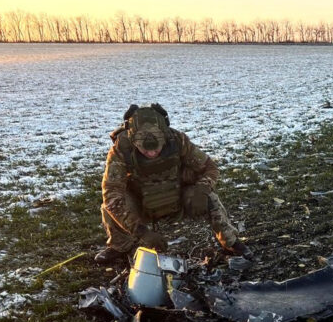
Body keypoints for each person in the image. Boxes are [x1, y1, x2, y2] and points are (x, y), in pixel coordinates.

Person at [94, 103, 252, 264]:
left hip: (176, 197)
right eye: (145, 150)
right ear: (134, 140)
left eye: (156, 149)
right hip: (142, 204)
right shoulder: (121, 149)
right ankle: (120, 246)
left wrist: (202, 189)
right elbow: (111, 194)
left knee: (210, 198)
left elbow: (210, 168)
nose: (151, 153)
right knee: (110, 207)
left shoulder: (177, 140)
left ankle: (230, 242)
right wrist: (142, 232)